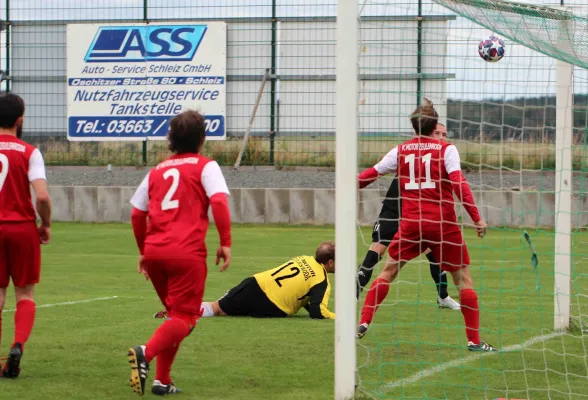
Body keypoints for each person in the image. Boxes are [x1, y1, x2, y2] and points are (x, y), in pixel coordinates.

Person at [356, 98, 497, 352]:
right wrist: (476, 217)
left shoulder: (400, 150)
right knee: (463, 279)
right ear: (435, 128)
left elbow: (369, 175)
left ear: (414, 127)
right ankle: (474, 341)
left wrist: (349, 183)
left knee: (388, 272)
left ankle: (364, 320)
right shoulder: (447, 150)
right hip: (443, 226)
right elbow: (459, 184)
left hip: (411, 224)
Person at [128, 110, 232, 396]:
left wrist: (143, 252)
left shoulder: (157, 171)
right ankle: (144, 354)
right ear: (202, 139)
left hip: (155, 252)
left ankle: (162, 380)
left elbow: (137, 214)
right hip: (186, 254)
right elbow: (220, 202)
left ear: (171, 139)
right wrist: (225, 241)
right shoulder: (206, 166)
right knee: (185, 319)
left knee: (174, 316)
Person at [357, 123, 460, 311]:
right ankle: (353, 295)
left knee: (435, 254)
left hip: (417, 214)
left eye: (444, 134)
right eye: (437, 133)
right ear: (426, 132)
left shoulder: (444, 155)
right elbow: (378, 170)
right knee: (376, 252)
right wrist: (356, 181)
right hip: (394, 208)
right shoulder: (407, 151)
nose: (441, 137)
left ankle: (443, 297)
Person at [0, 92, 52, 378]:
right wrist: (45, 224)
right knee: (25, 294)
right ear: (20, 120)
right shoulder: (29, 151)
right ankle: (17, 344)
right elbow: (42, 196)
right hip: (21, 229)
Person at [154, 241, 336, 321]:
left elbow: (300, 290)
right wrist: (338, 317)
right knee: (220, 310)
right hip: (272, 306)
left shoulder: (303, 258)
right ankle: (177, 314)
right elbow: (317, 311)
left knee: (219, 308)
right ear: (330, 262)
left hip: (257, 283)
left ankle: (176, 312)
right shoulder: (322, 280)